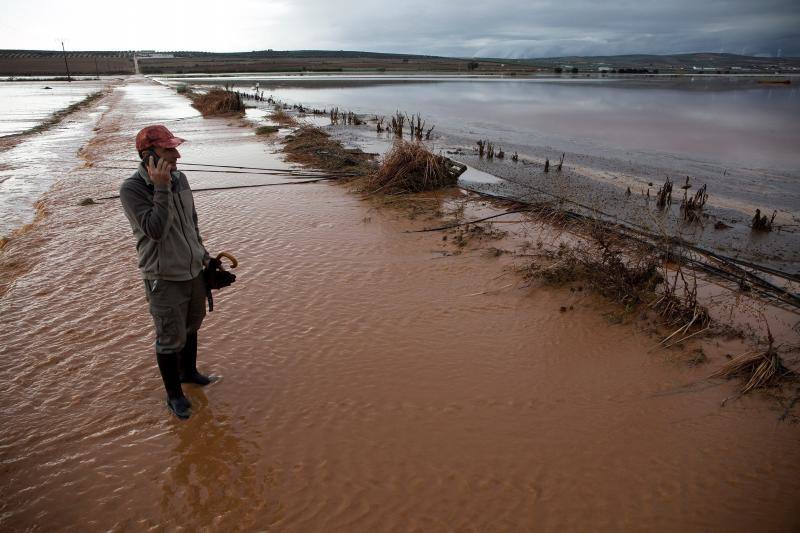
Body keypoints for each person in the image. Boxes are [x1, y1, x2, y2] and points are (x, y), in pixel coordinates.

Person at [120, 125, 214, 420]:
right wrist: (160, 187)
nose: (177, 155)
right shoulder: (132, 189)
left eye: (174, 148)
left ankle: (189, 373)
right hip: (163, 277)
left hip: (192, 269)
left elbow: (192, 222)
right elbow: (155, 230)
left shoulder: (180, 178)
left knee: (192, 325)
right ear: (148, 156)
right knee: (169, 337)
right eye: (168, 150)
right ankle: (174, 395)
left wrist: (204, 256)